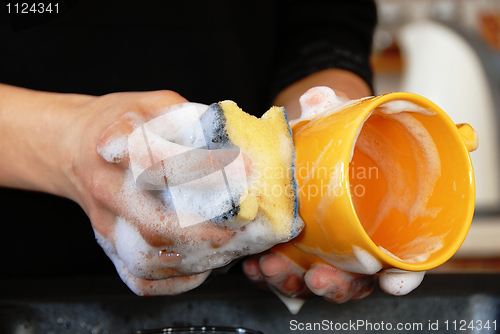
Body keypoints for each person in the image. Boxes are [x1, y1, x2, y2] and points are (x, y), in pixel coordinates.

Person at [0, 0, 423, 301]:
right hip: (21, 282)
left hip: (241, 281)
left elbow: (320, 24)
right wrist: (69, 143)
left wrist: (327, 131)